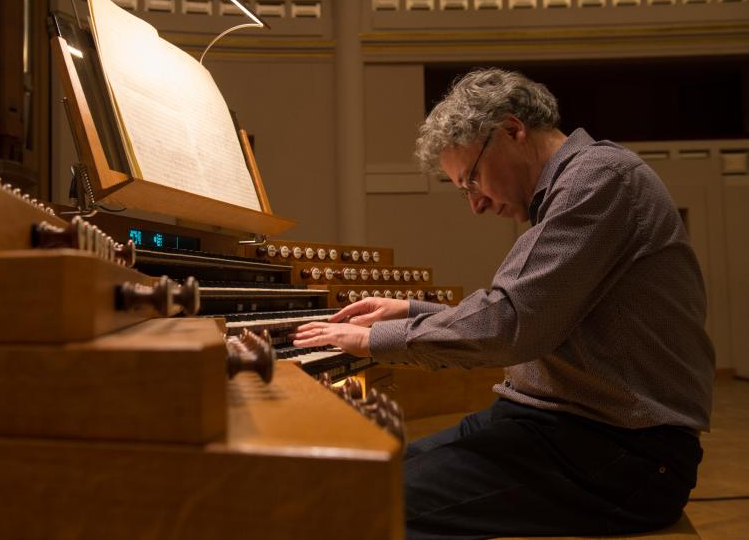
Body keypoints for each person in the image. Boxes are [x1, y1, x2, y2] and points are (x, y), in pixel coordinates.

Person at [293, 68, 715, 539]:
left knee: (373, 509)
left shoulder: (599, 180)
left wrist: (373, 339)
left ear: (513, 130)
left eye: (471, 180)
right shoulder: (574, 185)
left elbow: (511, 323)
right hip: (551, 427)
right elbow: (527, 310)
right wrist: (411, 311)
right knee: (358, 482)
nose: (475, 205)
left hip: (623, 454)